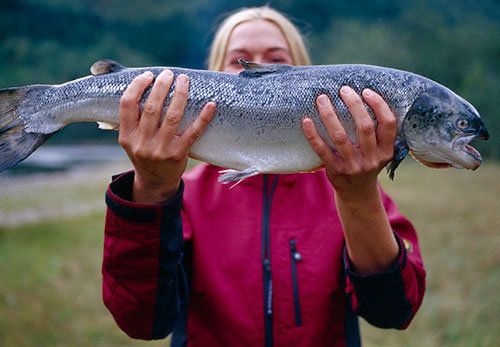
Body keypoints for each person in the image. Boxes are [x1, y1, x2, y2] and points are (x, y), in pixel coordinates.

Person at [102, 6, 426, 346]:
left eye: (277, 59)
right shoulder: (184, 199)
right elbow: (141, 320)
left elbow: (393, 311)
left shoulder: (353, 190)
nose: (261, 71)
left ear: (309, 79)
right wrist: (152, 189)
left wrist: (359, 196)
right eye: (241, 62)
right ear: (211, 78)